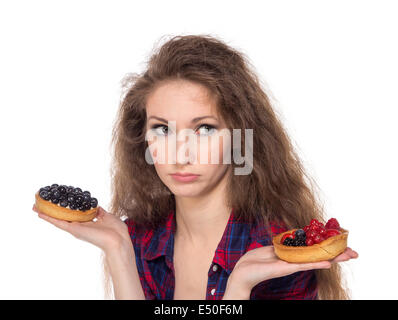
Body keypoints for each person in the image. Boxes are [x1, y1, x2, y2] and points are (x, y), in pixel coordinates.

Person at [33, 34, 358, 300]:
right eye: (162, 129)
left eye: (204, 129)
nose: (179, 154)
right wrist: (119, 251)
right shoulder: (140, 239)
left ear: (240, 139)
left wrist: (239, 288)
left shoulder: (278, 251)